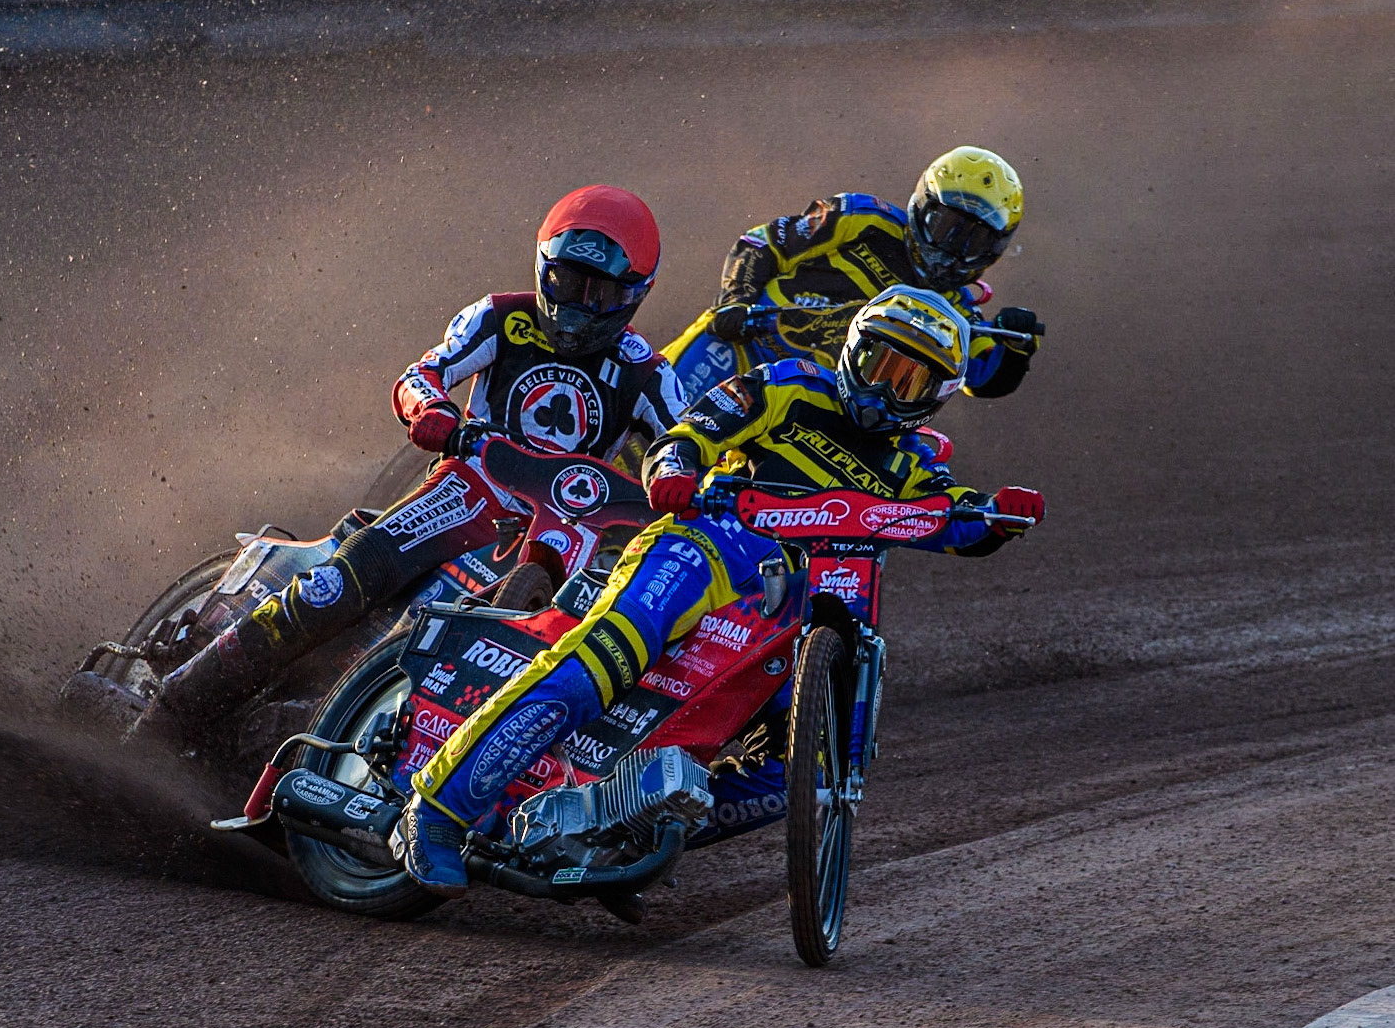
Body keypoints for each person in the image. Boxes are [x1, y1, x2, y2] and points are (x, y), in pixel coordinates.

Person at [397, 284, 1045, 897]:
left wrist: (996, 516)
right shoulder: (787, 384)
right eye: (880, 363)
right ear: (853, 348)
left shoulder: (911, 463)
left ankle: (624, 828)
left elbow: (952, 515)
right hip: (705, 548)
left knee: (805, 768)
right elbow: (689, 434)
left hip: (792, 606)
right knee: (600, 661)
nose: (885, 389)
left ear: (938, 395)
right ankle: (437, 809)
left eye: (911, 380)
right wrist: (675, 468)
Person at [143, 185, 688, 736]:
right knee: (338, 586)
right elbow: (422, 373)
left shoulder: (647, 371)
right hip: (464, 491)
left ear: (635, 295)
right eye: (568, 284)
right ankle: (172, 705)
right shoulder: (501, 318)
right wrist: (430, 410)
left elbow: (687, 444)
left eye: (599, 295)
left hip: (554, 539)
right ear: (544, 268)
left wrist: (675, 476)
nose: (577, 307)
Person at [664, 145, 1041, 402]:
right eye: (948, 228)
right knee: (659, 415)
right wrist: (736, 301)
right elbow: (762, 244)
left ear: (994, 249)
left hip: (808, 401)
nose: (953, 248)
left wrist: (1017, 349)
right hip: (743, 347)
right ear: (923, 206)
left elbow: (981, 379)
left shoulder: (958, 312)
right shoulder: (862, 218)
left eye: (973, 240)